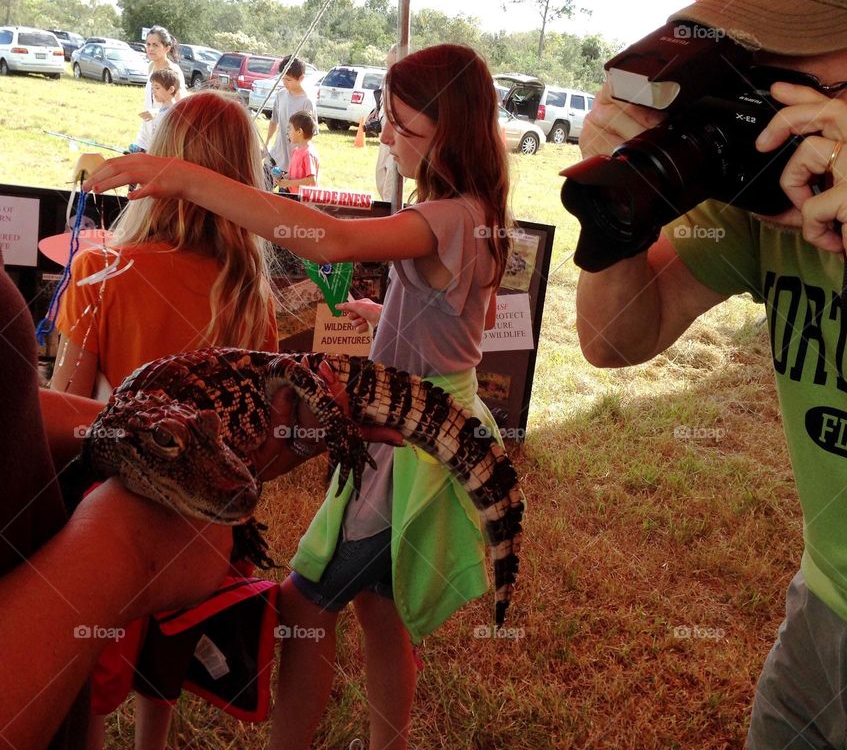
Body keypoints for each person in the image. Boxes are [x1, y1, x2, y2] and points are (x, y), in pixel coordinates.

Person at [576, 0, 847, 746]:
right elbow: (616, 340)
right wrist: (619, 201)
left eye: (798, 83)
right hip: (817, 616)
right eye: (751, 68)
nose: (759, 109)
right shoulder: (786, 192)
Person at [84, 42, 512, 750]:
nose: (384, 134)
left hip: (405, 442)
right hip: (424, 414)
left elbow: (331, 242)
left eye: (402, 124)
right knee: (381, 611)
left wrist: (184, 178)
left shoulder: (452, 216)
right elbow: (474, 321)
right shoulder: (474, 212)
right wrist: (398, 321)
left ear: (451, 130)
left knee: (302, 605)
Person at [0, 250, 321, 749]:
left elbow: (37, 396)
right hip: (85, 568)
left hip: (105, 543)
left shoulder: (97, 269)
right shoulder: (250, 287)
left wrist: (158, 431)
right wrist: (122, 548)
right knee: (148, 659)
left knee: (108, 678)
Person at [51, 91, 280, 750]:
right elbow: (251, 435)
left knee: (86, 680)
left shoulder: (103, 270)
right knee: (166, 654)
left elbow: (67, 411)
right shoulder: (248, 293)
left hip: (109, 523)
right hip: (201, 539)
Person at [133, 26, 186, 152]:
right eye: (148, 44)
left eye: (156, 45)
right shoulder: (151, 66)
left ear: (167, 48)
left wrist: (157, 112)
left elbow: (180, 107)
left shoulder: (173, 71)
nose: (150, 48)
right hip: (145, 134)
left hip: (163, 136)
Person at [266, 55, 315, 179]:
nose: (284, 82)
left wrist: (301, 157)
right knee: (261, 188)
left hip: (294, 163)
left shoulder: (307, 102)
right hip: (275, 156)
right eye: (283, 78)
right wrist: (266, 144)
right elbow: (274, 121)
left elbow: (309, 135)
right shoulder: (281, 95)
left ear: (301, 78)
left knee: (284, 196)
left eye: (288, 79)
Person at [374, 44, 399, 207]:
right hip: (384, 133)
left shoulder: (407, 83)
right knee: (380, 174)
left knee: (391, 176)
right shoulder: (387, 80)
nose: (389, 69)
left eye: (393, 65)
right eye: (388, 65)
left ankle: (389, 209)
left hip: (398, 139)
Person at [136, 68, 181, 152]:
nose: (153, 91)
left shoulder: (172, 114)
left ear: (171, 89)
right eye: (152, 88)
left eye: (157, 88)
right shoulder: (161, 111)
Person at [278, 110, 319, 195]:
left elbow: (311, 180)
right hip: (295, 196)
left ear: (299, 132)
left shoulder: (308, 153)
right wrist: (284, 178)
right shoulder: (296, 150)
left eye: (290, 128)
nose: (288, 132)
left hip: (305, 199)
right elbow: (293, 174)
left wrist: (289, 183)